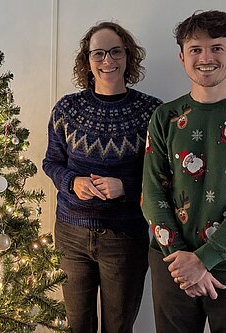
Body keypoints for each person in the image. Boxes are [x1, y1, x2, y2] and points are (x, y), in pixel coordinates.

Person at [42, 22, 162, 333]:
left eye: (115, 52)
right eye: (98, 53)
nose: (107, 60)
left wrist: (126, 186)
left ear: (128, 57)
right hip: (71, 236)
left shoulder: (153, 112)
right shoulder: (66, 109)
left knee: (118, 326)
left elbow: (165, 176)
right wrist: (72, 182)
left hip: (125, 237)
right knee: (78, 325)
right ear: (87, 60)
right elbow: (51, 162)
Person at [142, 10, 226, 333]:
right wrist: (182, 260)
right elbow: (151, 193)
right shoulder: (165, 117)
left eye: (217, 47)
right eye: (195, 49)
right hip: (173, 266)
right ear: (182, 57)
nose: (206, 57)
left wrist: (204, 260)